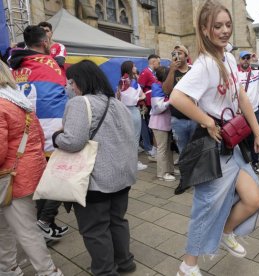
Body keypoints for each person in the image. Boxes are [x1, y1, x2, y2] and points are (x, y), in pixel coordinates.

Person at [170, 1, 259, 275]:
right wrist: (207, 120)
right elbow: (177, 96)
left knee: (253, 199)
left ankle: (226, 231)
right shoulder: (206, 64)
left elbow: (241, 96)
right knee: (207, 205)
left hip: (234, 141)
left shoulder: (229, 58)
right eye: (217, 26)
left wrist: (258, 132)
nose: (224, 31)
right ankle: (188, 265)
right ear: (205, 30)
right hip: (214, 143)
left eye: (227, 25)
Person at [54, 60, 137, 275]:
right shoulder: (117, 103)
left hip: (96, 180)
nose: (70, 87)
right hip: (122, 176)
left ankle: (104, 270)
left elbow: (73, 142)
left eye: (71, 82)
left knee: (95, 229)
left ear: (80, 80)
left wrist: (56, 137)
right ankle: (125, 262)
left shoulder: (80, 103)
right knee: (117, 221)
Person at [0, 60, 64, 276]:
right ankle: (7, 267)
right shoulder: (19, 101)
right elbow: (37, 137)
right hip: (24, 173)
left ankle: (48, 271)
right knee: (8, 227)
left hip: (10, 178)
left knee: (24, 230)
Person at [9, 25, 69, 240]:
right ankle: (44, 222)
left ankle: (47, 223)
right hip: (51, 131)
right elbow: (62, 93)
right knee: (58, 179)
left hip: (24, 132)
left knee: (40, 180)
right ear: (44, 42)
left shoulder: (13, 64)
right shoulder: (51, 64)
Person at [236, 50, 259, 174]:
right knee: (240, 139)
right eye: (243, 58)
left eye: (247, 58)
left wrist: (258, 60)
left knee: (254, 139)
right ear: (239, 60)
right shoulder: (235, 74)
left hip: (254, 112)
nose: (246, 60)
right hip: (239, 113)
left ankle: (255, 162)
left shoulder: (255, 73)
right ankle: (242, 162)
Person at [163, 45, 196, 155]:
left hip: (195, 117)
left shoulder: (194, 70)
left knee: (197, 150)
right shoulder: (169, 71)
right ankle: (186, 172)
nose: (177, 56)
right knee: (183, 151)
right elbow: (167, 91)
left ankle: (196, 172)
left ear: (187, 56)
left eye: (180, 53)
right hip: (178, 119)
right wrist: (172, 70)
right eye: (174, 53)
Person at [117, 60, 148, 171]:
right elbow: (137, 97)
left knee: (126, 138)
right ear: (130, 68)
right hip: (132, 111)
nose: (135, 67)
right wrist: (141, 98)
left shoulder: (122, 81)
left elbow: (120, 97)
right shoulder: (131, 81)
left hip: (123, 111)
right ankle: (133, 163)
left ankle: (127, 161)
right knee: (134, 137)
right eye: (134, 66)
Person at [150, 67, 177, 181]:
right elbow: (157, 108)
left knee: (168, 148)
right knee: (162, 148)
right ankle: (162, 173)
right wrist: (171, 101)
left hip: (166, 123)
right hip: (159, 123)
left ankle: (170, 169)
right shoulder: (157, 88)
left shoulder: (163, 88)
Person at [138, 54, 160, 158]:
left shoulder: (153, 73)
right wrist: (142, 104)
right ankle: (149, 147)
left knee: (152, 125)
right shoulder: (145, 72)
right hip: (147, 103)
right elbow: (139, 89)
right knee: (149, 125)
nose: (159, 64)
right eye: (158, 63)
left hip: (152, 103)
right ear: (153, 62)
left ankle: (153, 146)